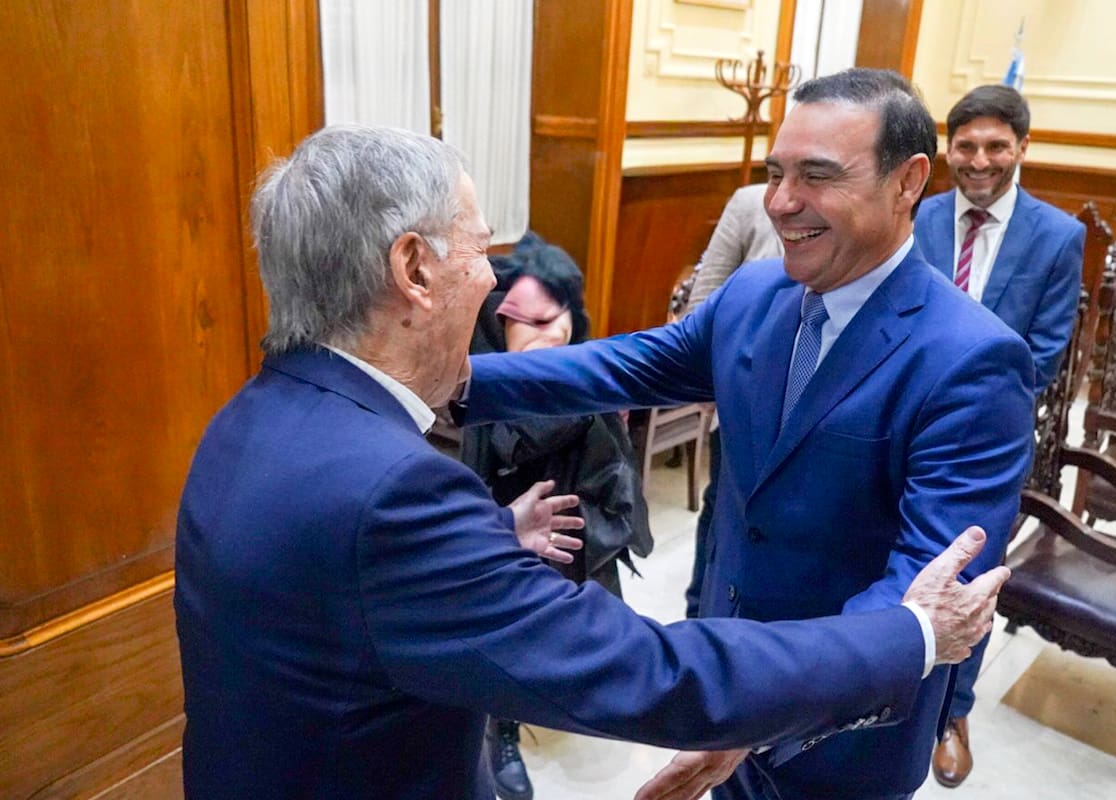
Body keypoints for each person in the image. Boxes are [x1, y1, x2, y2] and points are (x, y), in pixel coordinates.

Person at [174, 124, 1009, 800]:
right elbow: (648, 673)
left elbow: (344, 585)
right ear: (414, 270)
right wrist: (913, 634)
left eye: (817, 174)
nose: (496, 284)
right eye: (480, 249)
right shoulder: (396, 490)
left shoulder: (252, 417)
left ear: (905, 182)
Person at [460, 68, 1035, 800]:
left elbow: (923, 592)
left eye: (817, 176)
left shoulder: (972, 361)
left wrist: (762, 713)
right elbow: (625, 364)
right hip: (725, 677)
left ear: (908, 181)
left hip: (840, 737)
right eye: (776, 172)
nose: (780, 202)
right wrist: (458, 384)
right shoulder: (757, 293)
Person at [913, 84, 1084, 789]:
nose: (979, 160)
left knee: (973, 575)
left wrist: (955, 389)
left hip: (989, 442)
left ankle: (952, 711)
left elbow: (1042, 354)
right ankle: (884, 689)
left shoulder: (1057, 235)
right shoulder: (916, 216)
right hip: (903, 424)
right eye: (965, 146)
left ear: (1021, 148)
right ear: (946, 148)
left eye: (995, 146)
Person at [461, 232, 653, 800]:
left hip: (576, 528)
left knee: (576, 626)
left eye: (560, 313)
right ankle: (502, 732)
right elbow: (499, 446)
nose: (553, 331)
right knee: (503, 640)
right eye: (532, 319)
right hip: (506, 535)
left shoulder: (583, 368)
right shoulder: (476, 380)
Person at [680, 184, 782, 619]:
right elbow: (705, 296)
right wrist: (706, 377)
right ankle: (698, 615)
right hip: (744, 400)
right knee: (723, 507)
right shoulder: (749, 203)